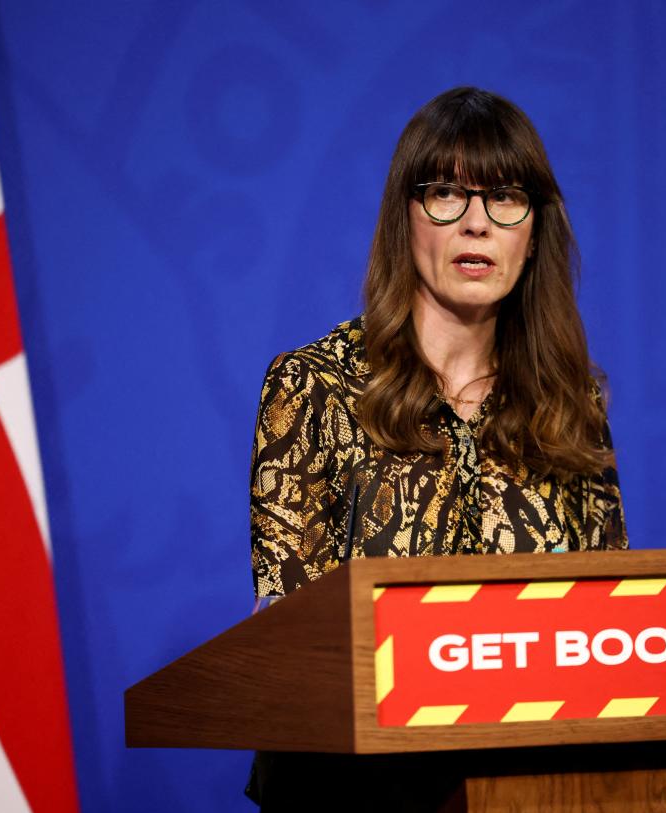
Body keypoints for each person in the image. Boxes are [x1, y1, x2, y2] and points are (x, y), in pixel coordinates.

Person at [250, 87, 627, 603]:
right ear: (404, 219)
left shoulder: (572, 406)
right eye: (447, 193)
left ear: (534, 233)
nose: (477, 223)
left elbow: (608, 626)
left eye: (506, 197)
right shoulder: (315, 390)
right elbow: (289, 641)